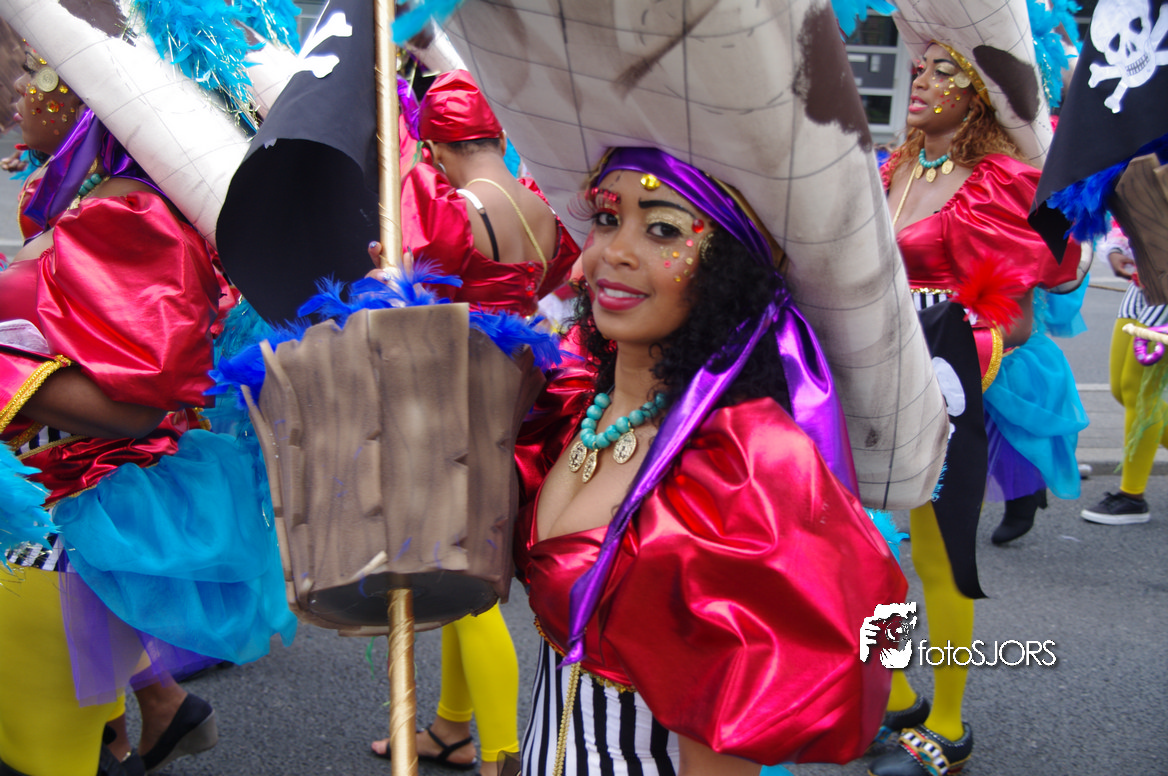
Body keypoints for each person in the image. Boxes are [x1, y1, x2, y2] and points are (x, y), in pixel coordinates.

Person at [511, 146, 907, 775]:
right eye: (608, 219)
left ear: (726, 269)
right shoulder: (576, 407)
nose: (616, 251)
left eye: (663, 230)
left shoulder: (734, 476)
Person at [0, 41, 292, 776]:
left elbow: (139, 404)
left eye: (31, 70)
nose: (18, 92)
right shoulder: (109, 196)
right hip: (54, 527)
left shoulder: (132, 210)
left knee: (41, 759)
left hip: (51, 532)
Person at [872, 34, 1081, 774]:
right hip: (867, 376)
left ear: (979, 95)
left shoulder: (998, 183)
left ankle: (950, 726)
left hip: (946, 383)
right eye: (919, 69)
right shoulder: (889, 169)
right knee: (868, 551)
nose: (921, 82)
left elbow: (1016, 319)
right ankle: (896, 693)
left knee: (941, 556)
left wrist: (954, 356)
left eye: (943, 71)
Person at [368, 69, 579, 776]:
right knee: (465, 573)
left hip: (453, 403)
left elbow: (403, 298)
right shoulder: (541, 209)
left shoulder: (450, 208)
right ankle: (452, 729)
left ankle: (501, 756)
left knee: (470, 587)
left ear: (434, 146)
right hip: (519, 397)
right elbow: (546, 286)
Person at [1081, 219, 1165, 524]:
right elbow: (1131, 211)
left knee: (1139, 391)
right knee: (1121, 389)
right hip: (1141, 283)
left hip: (1164, 291)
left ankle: (1132, 496)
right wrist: (1116, 249)